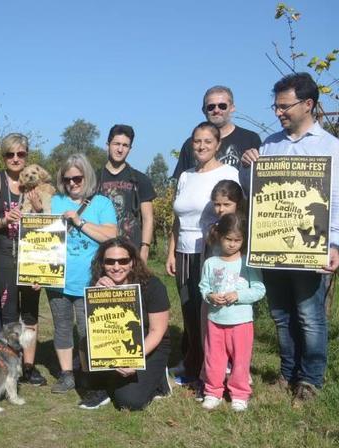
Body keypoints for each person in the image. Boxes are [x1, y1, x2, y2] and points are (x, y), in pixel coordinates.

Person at [241, 72, 339, 403]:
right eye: (276, 106)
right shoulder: (270, 144)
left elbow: (336, 198)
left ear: (308, 104)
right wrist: (248, 166)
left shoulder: (330, 147)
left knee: (310, 316)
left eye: (284, 106)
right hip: (273, 245)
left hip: (311, 245)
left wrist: (335, 243)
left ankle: (310, 381)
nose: (278, 112)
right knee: (281, 315)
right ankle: (287, 373)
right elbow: (258, 194)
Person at [166, 123, 240, 387]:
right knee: (188, 311)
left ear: (217, 144)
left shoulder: (228, 172)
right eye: (197, 141)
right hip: (184, 251)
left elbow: (233, 212)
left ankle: (216, 368)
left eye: (208, 141)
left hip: (210, 252)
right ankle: (193, 362)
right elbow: (177, 217)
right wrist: (171, 251)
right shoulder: (185, 175)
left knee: (208, 311)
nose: (201, 146)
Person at [47, 154, 118, 394]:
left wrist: (79, 221)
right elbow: (39, 235)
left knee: (88, 330)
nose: (72, 184)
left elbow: (110, 235)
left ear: (86, 177)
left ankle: (89, 374)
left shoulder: (101, 204)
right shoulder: (54, 201)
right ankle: (67, 374)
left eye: (77, 178)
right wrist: (33, 271)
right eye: (67, 179)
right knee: (62, 327)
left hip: (90, 279)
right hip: (56, 278)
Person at [0, 133, 47, 385]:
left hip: (32, 251)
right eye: (10, 154)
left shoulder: (36, 180)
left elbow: (48, 222)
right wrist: (4, 220)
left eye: (21, 154)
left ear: (27, 156)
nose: (16, 159)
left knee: (30, 312)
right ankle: (10, 366)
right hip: (4, 250)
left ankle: (29, 367)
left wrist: (39, 210)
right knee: (9, 313)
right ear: (4, 156)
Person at [78, 238, 172, 410]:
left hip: (148, 343)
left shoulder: (153, 286)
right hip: (115, 339)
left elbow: (157, 331)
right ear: (102, 263)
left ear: (132, 262)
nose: (116, 267)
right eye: (109, 261)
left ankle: (160, 380)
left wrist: (134, 359)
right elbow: (93, 325)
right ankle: (99, 386)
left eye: (123, 261)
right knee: (84, 341)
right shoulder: (98, 284)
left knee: (129, 402)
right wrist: (97, 295)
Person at [199, 213, 265, 412]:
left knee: (241, 359)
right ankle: (212, 392)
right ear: (219, 236)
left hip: (241, 321)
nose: (232, 244)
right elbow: (203, 287)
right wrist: (210, 296)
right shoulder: (210, 263)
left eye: (237, 240)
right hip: (215, 320)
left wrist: (238, 295)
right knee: (213, 358)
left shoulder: (248, 263)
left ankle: (239, 393)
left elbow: (259, 290)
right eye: (228, 239)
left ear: (243, 240)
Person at [172, 85, 262, 197]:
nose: (216, 110)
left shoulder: (250, 139)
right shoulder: (191, 144)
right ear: (204, 110)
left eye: (222, 106)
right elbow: (181, 187)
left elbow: (260, 182)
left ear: (232, 108)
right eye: (211, 107)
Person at [97, 124, 156, 260]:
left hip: (131, 251)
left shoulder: (140, 179)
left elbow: (148, 218)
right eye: (116, 144)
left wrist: (145, 248)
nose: (120, 149)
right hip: (101, 252)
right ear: (108, 145)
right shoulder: (93, 179)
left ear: (130, 149)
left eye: (125, 145)